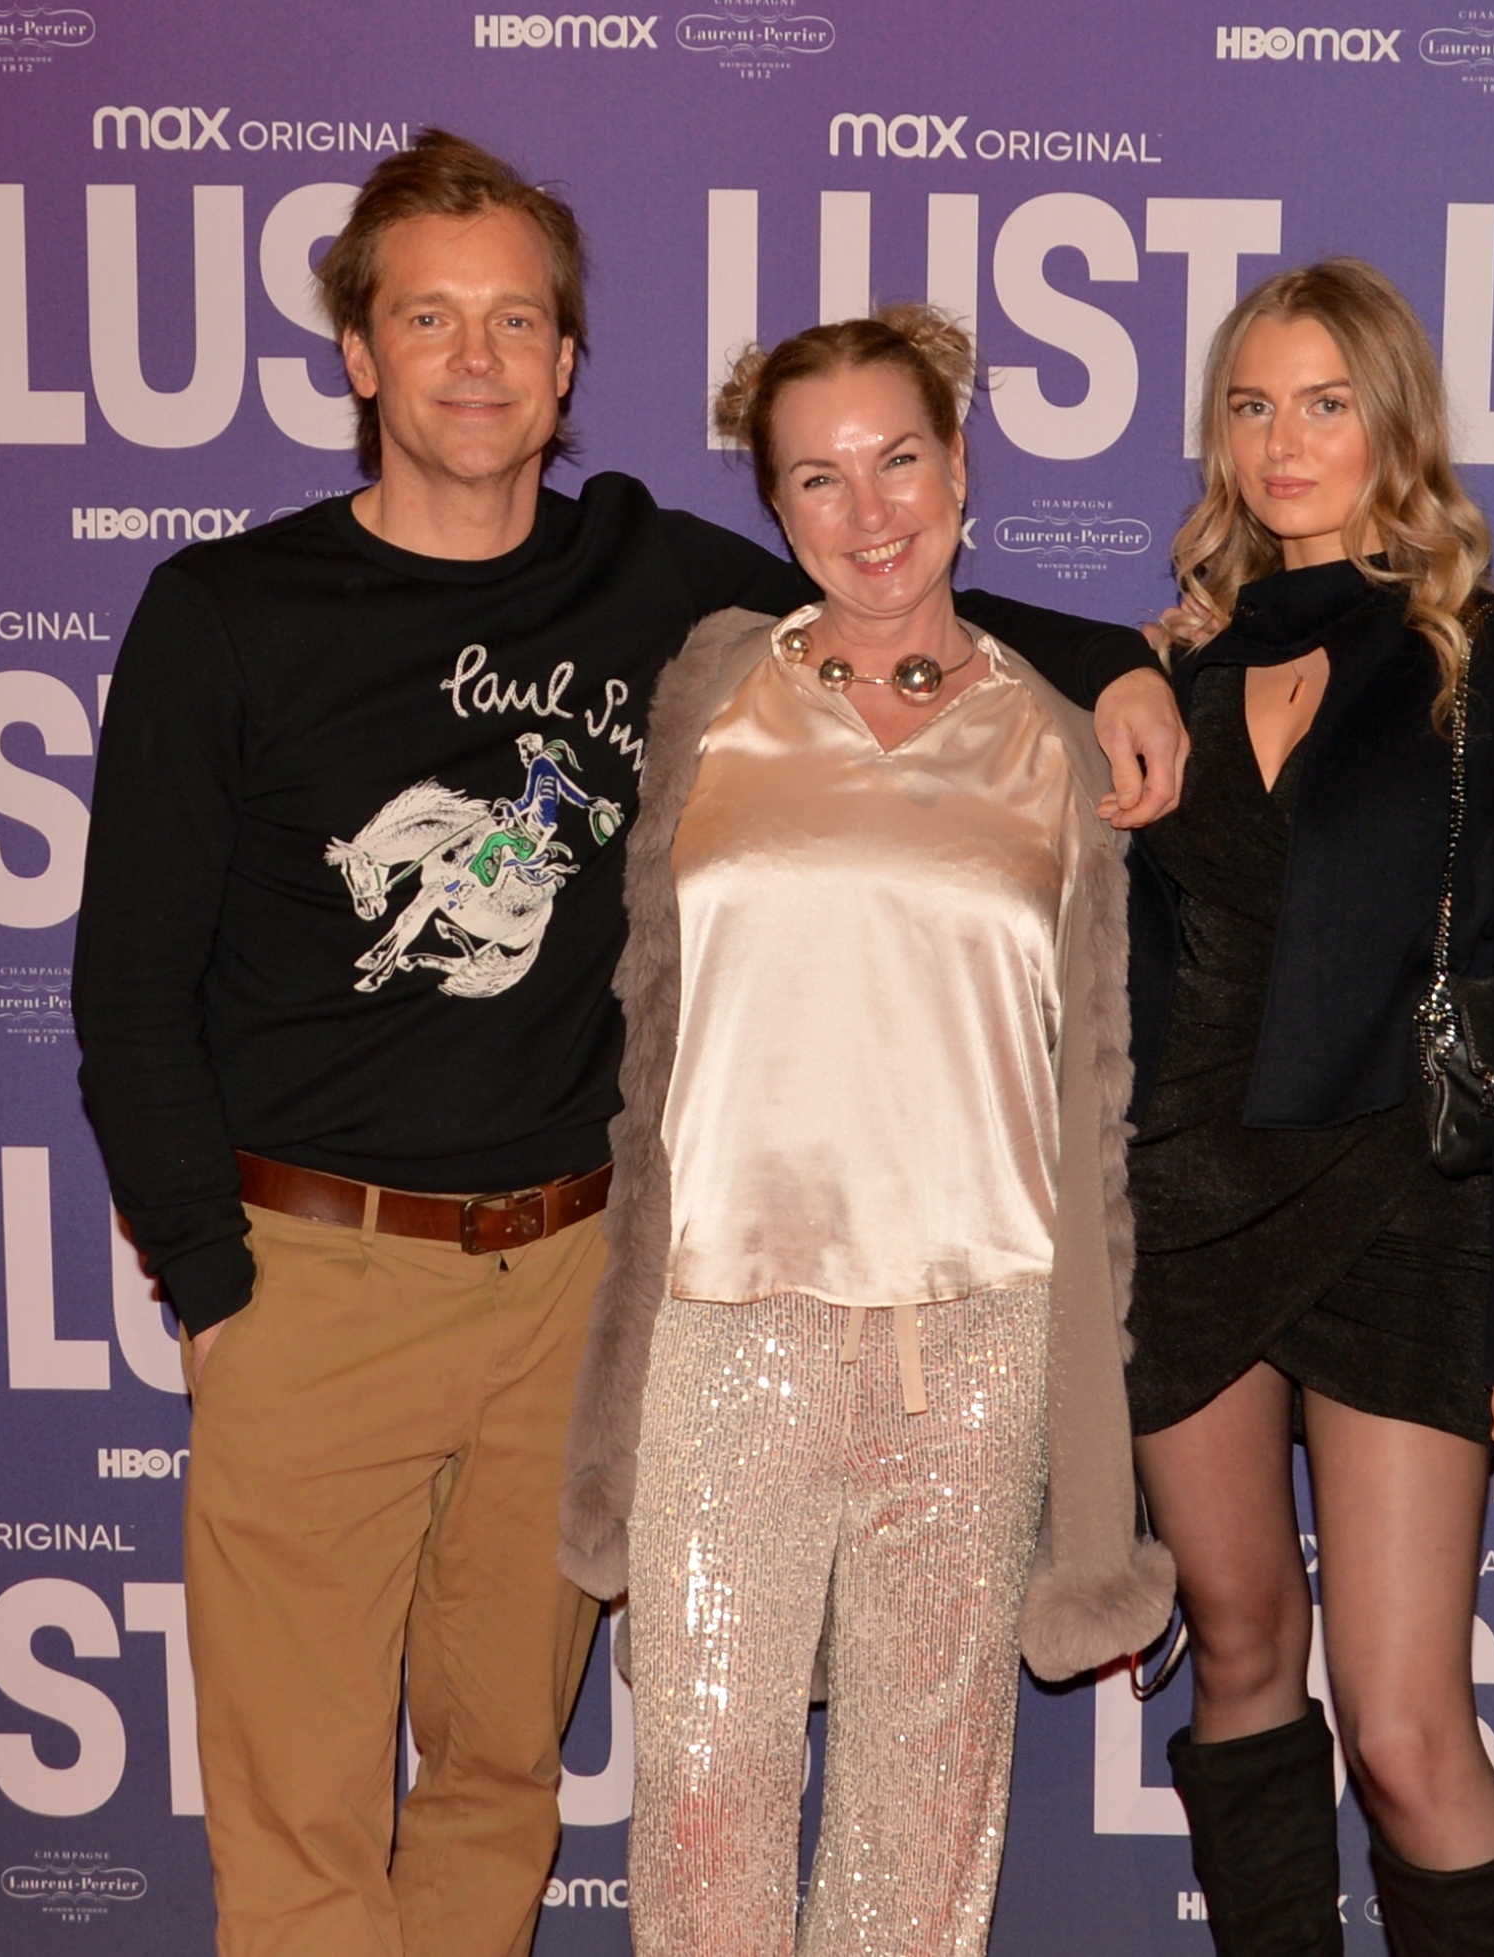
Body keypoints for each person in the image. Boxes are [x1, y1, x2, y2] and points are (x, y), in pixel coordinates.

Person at [72, 130, 1180, 1957]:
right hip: (316, 1278)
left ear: (568, 358)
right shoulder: (229, 611)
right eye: (430, 316)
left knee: (504, 1777)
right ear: (356, 353)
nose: (477, 357)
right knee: (300, 1815)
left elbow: (889, 591)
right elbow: (129, 988)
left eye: (517, 318)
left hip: (577, 1290)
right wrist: (215, 1281)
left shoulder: (645, 577)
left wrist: (1115, 661)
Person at [553, 305, 1172, 1956]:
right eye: (818, 479)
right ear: (773, 508)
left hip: (975, 1340)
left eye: (900, 459)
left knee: (920, 1826)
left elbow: (1106, 1082)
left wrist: (1117, 662)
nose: (870, 510)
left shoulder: (1063, 733)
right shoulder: (707, 686)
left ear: (960, 465)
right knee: (702, 1808)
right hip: (720, 1323)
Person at [1124, 259, 1494, 1956]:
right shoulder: (1176, 671)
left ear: (1392, 423)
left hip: (1410, 1207)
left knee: (1407, 1730)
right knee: (1239, 1653)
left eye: (1326, 404)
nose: (1285, 442)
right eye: (1251, 406)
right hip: (1189, 1208)